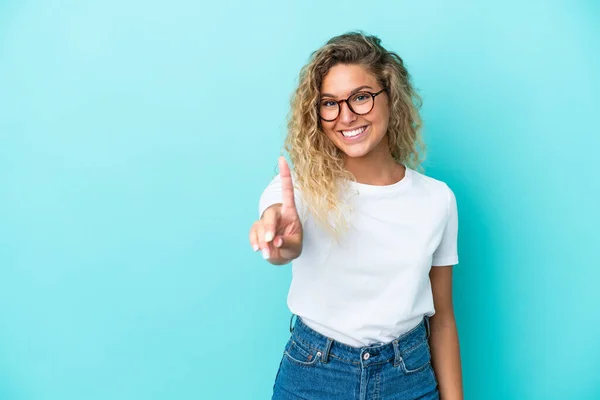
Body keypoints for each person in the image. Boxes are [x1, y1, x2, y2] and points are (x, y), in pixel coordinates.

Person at [249, 31, 463, 400]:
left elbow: (442, 318)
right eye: (330, 103)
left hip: (408, 376)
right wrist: (279, 242)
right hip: (314, 375)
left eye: (361, 97)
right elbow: (281, 231)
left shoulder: (437, 200)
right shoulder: (299, 188)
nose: (346, 116)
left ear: (391, 98)